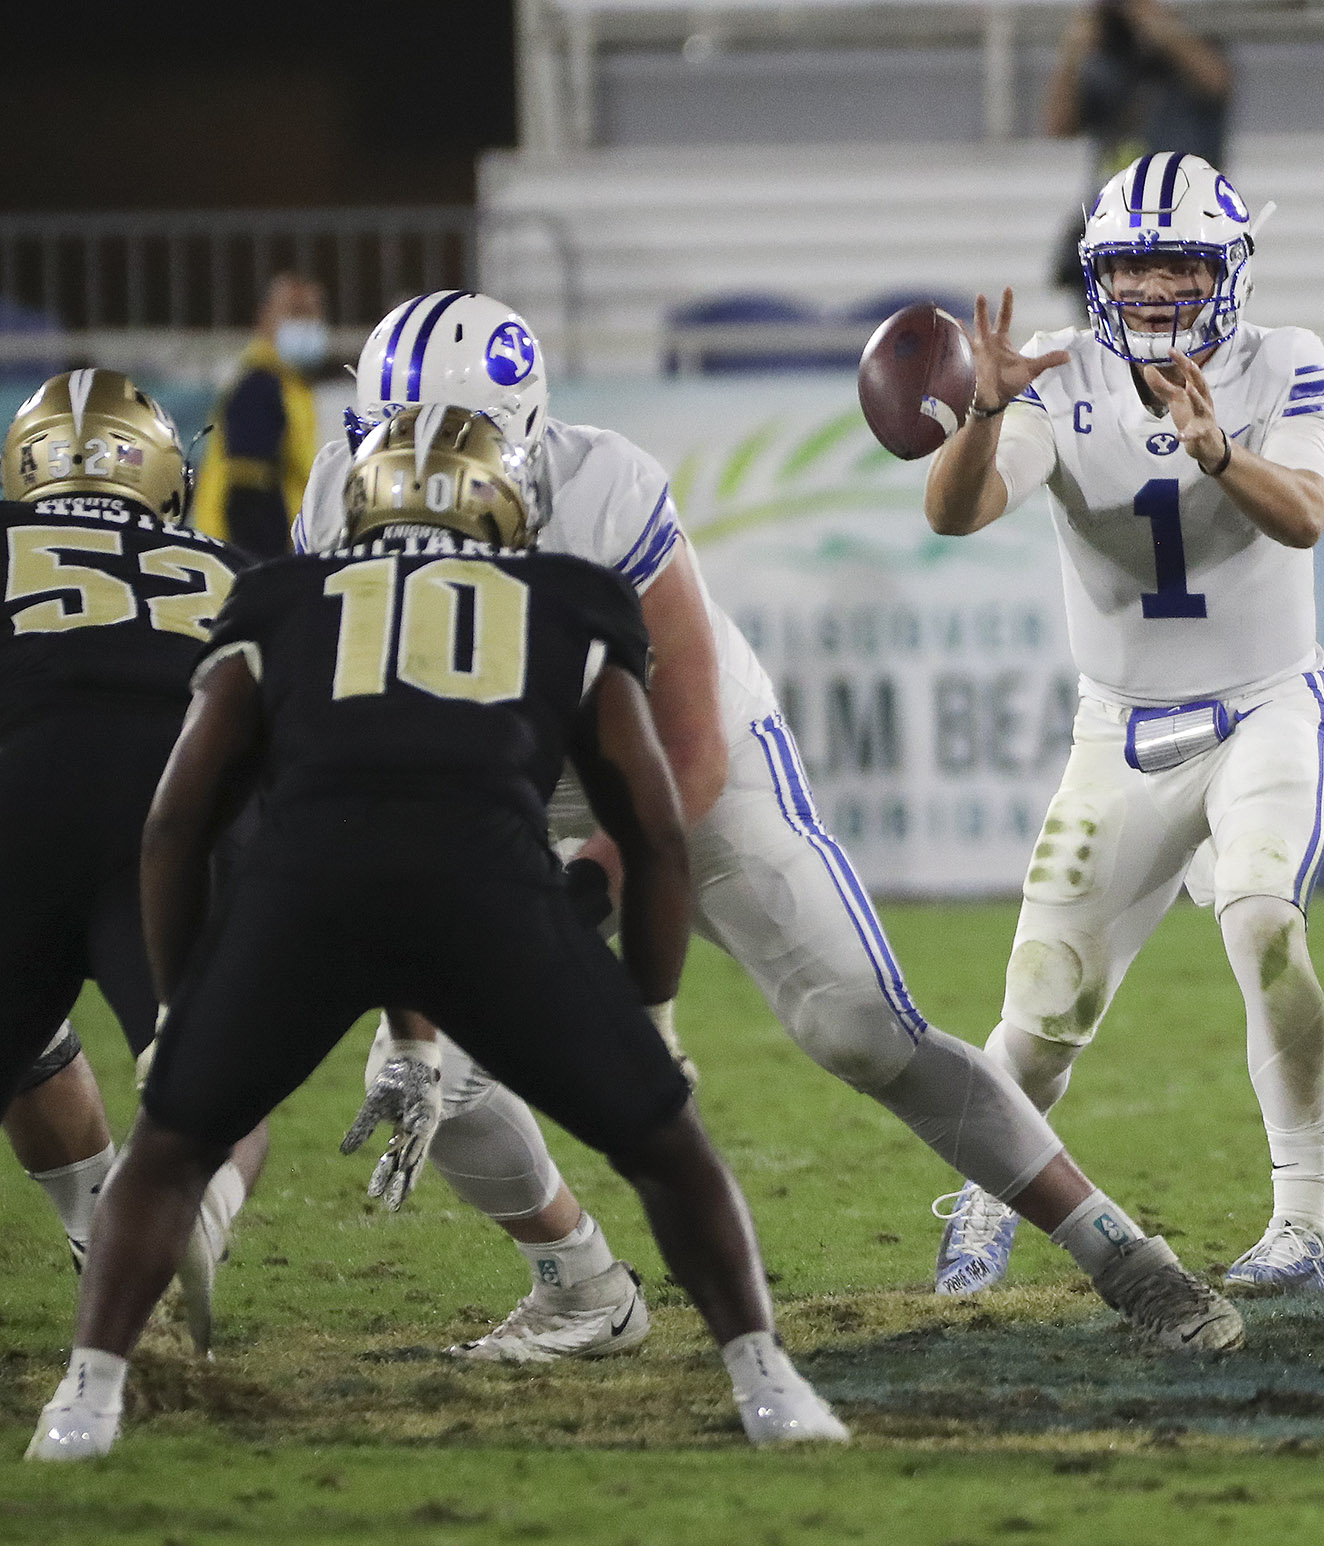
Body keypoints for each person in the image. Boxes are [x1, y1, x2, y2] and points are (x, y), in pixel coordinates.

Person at [303, 292, 1241, 1361]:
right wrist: (415, 1009)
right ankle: (581, 1291)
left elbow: (687, 751)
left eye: (451, 441)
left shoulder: (603, 491)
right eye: (393, 439)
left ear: (521, 436)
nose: (417, 471)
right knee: (431, 1074)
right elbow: (373, 769)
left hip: (684, 758)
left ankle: (1123, 1253)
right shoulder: (337, 504)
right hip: (497, 787)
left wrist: (581, 923)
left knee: (861, 1028)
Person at [26, 405, 852, 1460]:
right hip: (487, 895)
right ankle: (765, 1382)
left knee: (176, 1146)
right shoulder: (568, 599)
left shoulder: (280, 596)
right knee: (665, 1143)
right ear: (508, 504)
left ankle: (85, 1402)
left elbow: (179, 817)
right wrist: (650, 1013)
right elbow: (651, 829)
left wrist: (184, 1002)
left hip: (305, 895)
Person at [922, 152, 1324, 1297]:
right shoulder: (1057, 379)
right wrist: (984, 407)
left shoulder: (1288, 361)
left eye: (1180, 262)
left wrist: (1217, 448)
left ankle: (1302, 1226)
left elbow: (1304, 514)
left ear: (1230, 270)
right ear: (1098, 271)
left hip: (1264, 711)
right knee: (1041, 1012)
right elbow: (957, 511)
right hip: (1118, 733)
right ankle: (982, 1199)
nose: (1157, 287)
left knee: (1263, 919)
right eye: (1133, 263)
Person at [0, 369, 261, 1346]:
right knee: (220, 1074)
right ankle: (189, 1214)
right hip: (180, 821)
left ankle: (98, 1235)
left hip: (21, 798)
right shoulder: (236, 566)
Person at [1042, 0, 1232, 290]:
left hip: (1184, 216)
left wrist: (1155, 25)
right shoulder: (1106, 61)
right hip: (1117, 219)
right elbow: (1059, 125)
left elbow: (1215, 80)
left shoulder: (1195, 51)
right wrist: (1072, 51)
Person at [192, 273, 328, 558]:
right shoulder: (259, 386)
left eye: (313, 312)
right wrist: (265, 569)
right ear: (264, 318)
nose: (307, 322)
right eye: (295, 311)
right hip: (241, 556)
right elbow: (249, 493)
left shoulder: (288, 384)